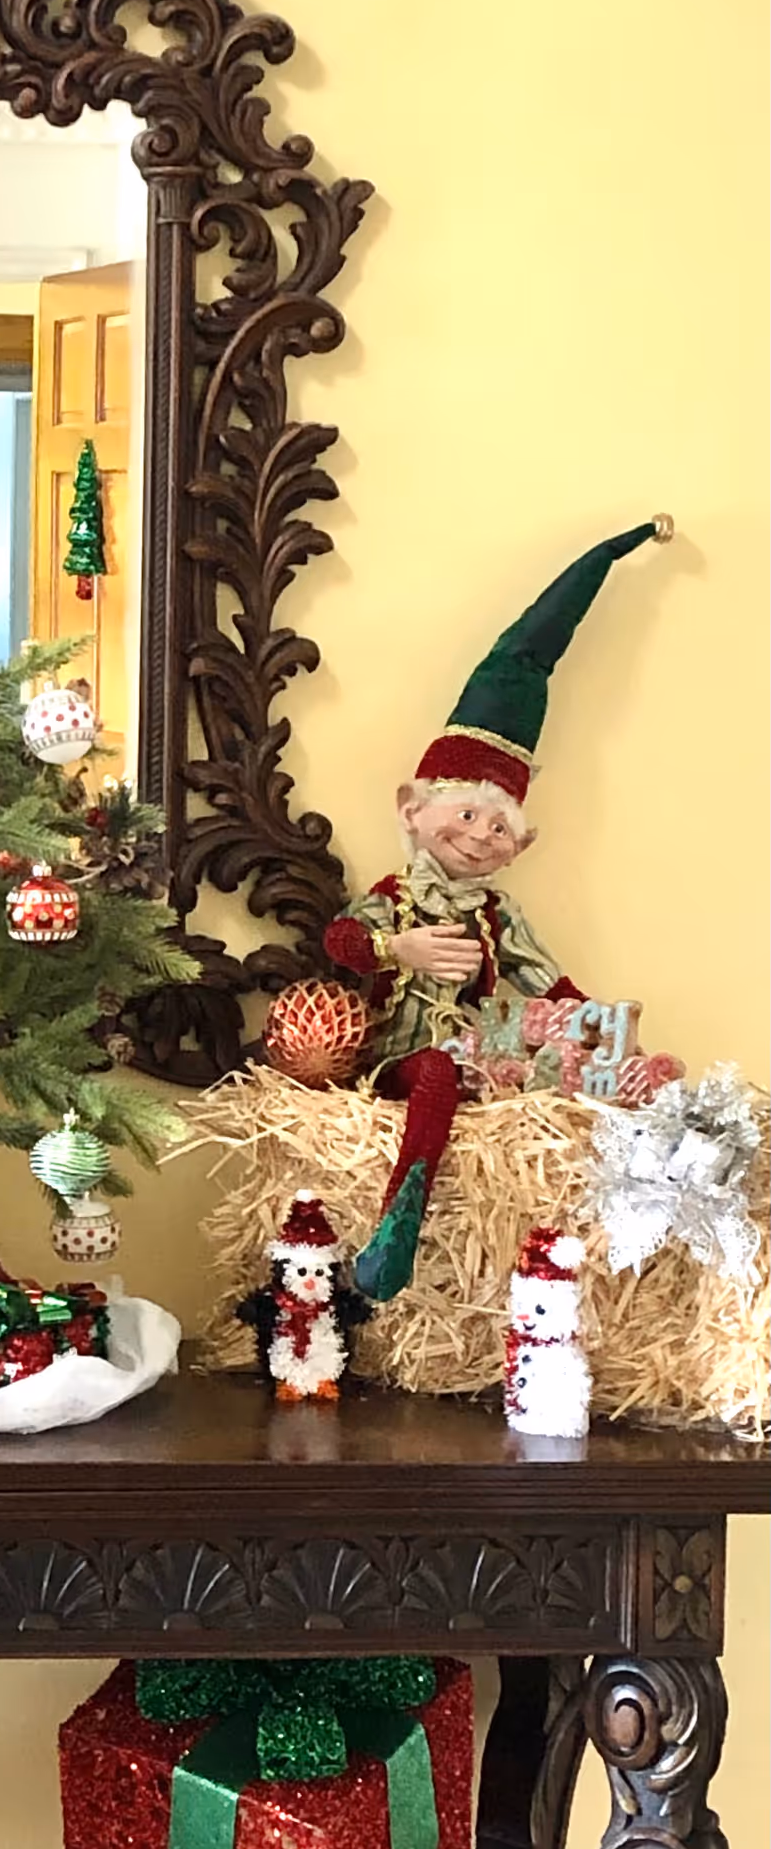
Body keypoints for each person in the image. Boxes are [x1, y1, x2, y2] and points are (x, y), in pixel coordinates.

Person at [324, 517, 670, 1300]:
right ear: (412, 809)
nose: (481, 835)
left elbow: (550, 984)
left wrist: (604, 1028)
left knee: (534, 1070)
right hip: (406, 1061)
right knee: (437, 1072)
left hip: (482, 1057)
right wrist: (399, 950)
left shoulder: (497, 914)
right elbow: (341, 940)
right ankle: (397, 1225)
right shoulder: (396, 898)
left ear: (521, 844)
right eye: (467, 814)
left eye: (500, 827)